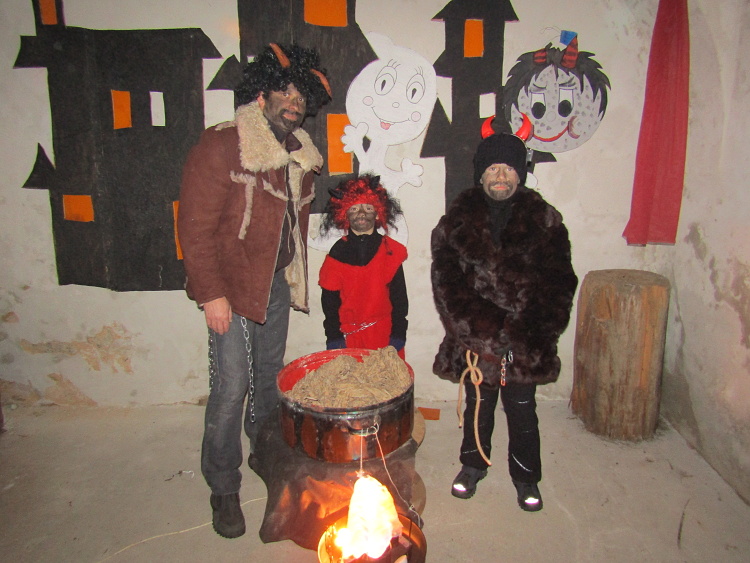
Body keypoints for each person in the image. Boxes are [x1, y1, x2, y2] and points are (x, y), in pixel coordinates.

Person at [177, 42, 331, 538]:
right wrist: (211, 294)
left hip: (274, 287)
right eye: (284, 92)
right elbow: (194, 227)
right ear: (261, 95)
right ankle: (223, 485)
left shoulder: (298, 154)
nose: (294, 103)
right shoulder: (224, 145)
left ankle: (266, 456)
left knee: (268, 383)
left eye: (301, 97)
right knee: (231, 388)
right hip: (231, 288)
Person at [430, 133, 577, 511]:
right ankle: (472, 465)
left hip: (525, 340)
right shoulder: (456, 221)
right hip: (476, 339)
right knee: (478, 406)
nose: (500, 176)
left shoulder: (545, 220)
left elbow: (559, 283)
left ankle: (526, 477)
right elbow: (447, 285)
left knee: (523, 410)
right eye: (493, 168)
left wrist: (525, 333)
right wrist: (484, 335)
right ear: (480, 174)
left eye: (508, 168)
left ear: (519, 175)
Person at [318, 175, 408, 359]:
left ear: (378, 214)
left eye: (368, 208)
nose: (361, 213)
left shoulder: (390, 250)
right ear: (345, 215)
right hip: (348, 339)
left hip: (385, 335)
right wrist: (333, 336)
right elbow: (329, 302)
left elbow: (399, 298)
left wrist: (399, 333)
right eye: (354, 208)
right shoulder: (337, 252)